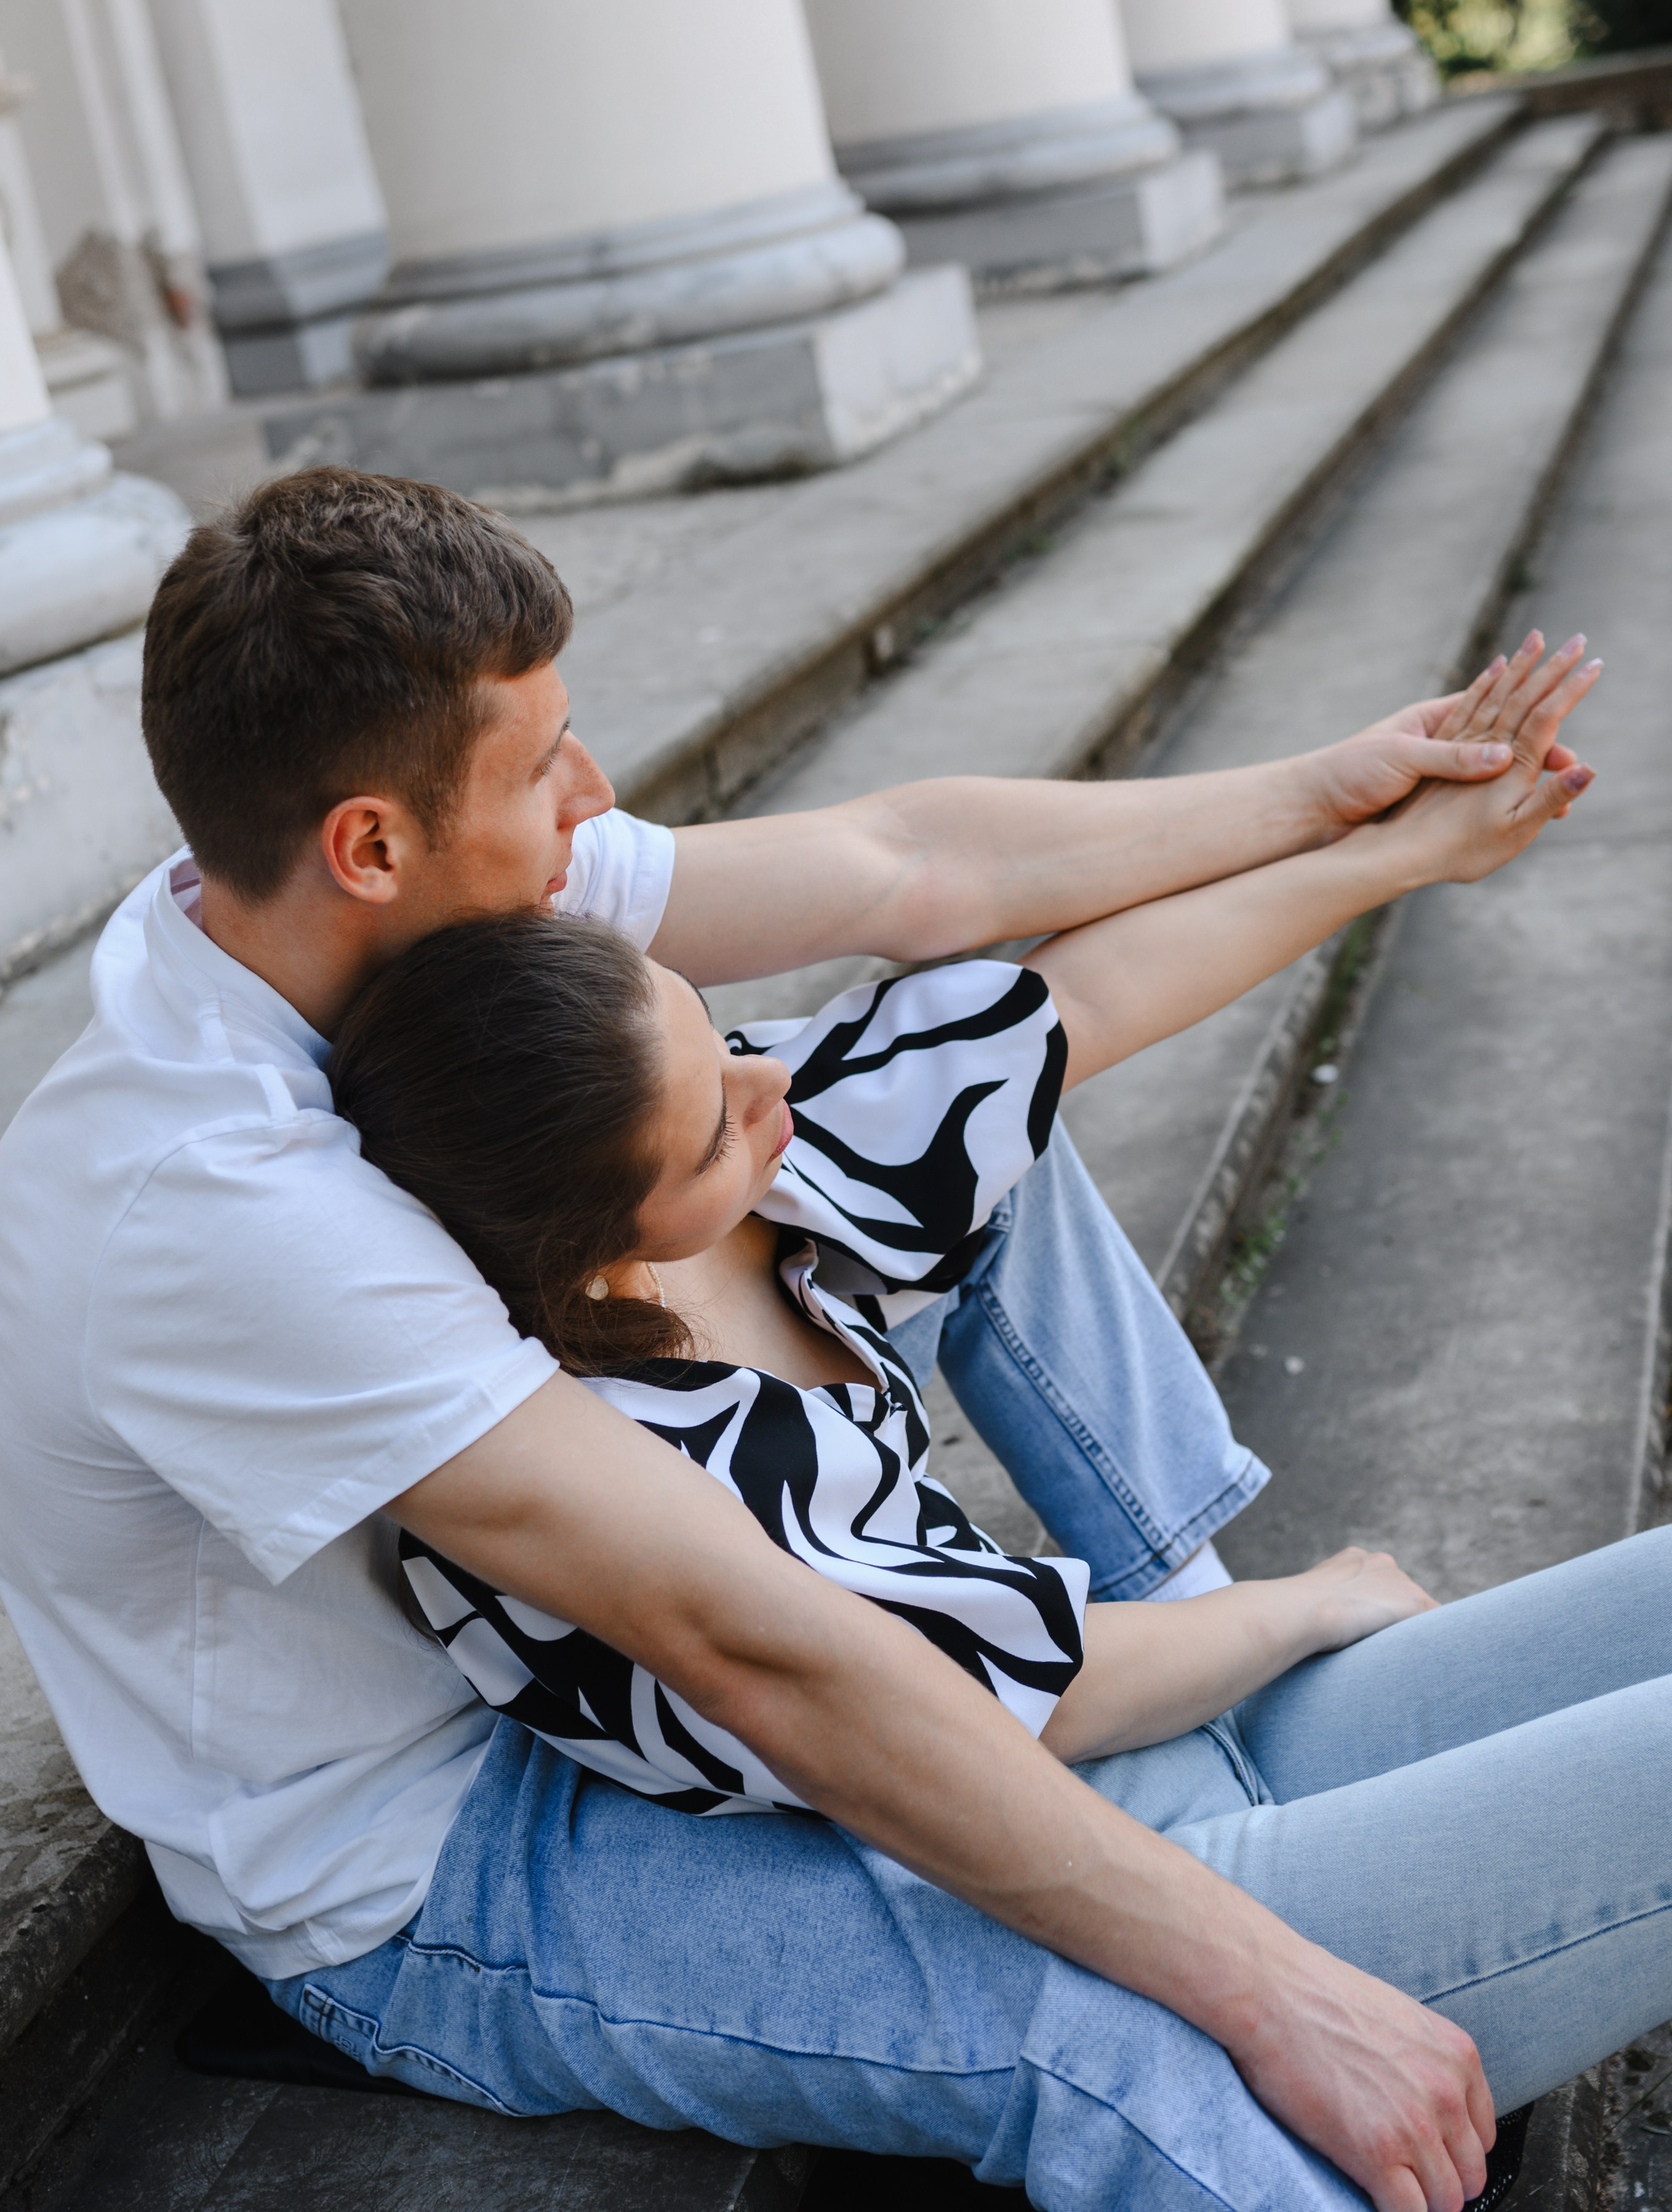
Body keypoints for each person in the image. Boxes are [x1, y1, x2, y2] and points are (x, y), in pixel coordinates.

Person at [0, 467, 1597, 2212]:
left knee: (893, 1127)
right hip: (440, 1847)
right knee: (1124, 2028)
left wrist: (1333, 795)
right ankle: (1185, 1724)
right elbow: (743, 1638)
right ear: (370, 844)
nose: (592, 807)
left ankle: (1187, 1631)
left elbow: (915, 868)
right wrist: (1278, 1986)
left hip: (597, 1653)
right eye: (542, 772)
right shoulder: (224, 1206)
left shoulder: (390, 920)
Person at [314, 806, 1672, 2178]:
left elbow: (1060, 1006)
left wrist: (1396, 849)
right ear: (599, 1248)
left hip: (1171, 1742)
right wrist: (1296, 1607)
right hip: (1116, 1891)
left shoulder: (731, 1163)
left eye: (710, 1033)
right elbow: (1001, 1699)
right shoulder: (596, 1484)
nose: (769, 1090)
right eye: (716, 1128)